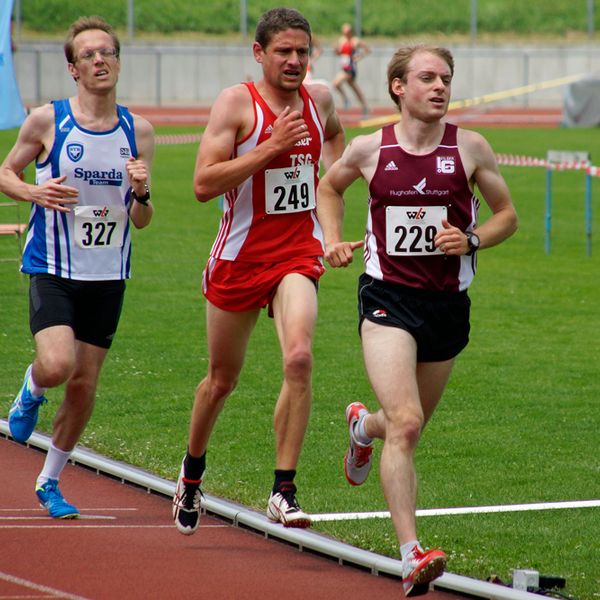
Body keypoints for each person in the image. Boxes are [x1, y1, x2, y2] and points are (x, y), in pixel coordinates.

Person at [316, 45, 517, 596]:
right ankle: (412, 554)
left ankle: (362, 427)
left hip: (447, 307)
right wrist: (331, 241)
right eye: (427, 77)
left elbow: (508, 216)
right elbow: (328, 187)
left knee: (404, 425)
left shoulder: (470, 147)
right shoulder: (368, 148)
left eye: (446, 78)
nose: (440, 86)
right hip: (387, 300)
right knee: (405, 423)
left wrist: (471, 239)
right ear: (398, 87)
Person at [172, 7, 344, 535]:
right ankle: (192, 473)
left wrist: (327, 198)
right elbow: (203, 183)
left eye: (302, 52)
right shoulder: (237, 104)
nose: (293, 61)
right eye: (283, 52)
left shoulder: (320, 100)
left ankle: (283, 490)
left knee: (299, 357)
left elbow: (335, 141)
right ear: (259, 54)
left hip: (297, 253)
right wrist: (270, 148)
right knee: (222, 380)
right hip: (240, 258)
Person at [0, 16, 155, 518]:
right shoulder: (49, 121)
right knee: (58, 365)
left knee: (85, 386)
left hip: (108, 273)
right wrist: (32, 191)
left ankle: (49, 482)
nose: (99, 60)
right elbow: (6, 172)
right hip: (53, 266)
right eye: (88, 55)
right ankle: (32, 386)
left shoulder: (139, 130)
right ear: (72, 68)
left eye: (106, 52)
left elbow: (143, 219)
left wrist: (142, 192)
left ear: (117, 61)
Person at [332, 23, 370, 116]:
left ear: (350, 31)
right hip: (344, 67)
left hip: (350, 68)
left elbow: (367, 50)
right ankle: (365, 107)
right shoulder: (342, 40)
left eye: (347, 31)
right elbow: (339, 54)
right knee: (355, 88)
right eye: (343, 31)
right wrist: (335, 50)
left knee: (336, 83)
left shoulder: (355, 41)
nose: (345, 33)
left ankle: (346, 100)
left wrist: (359, 57)